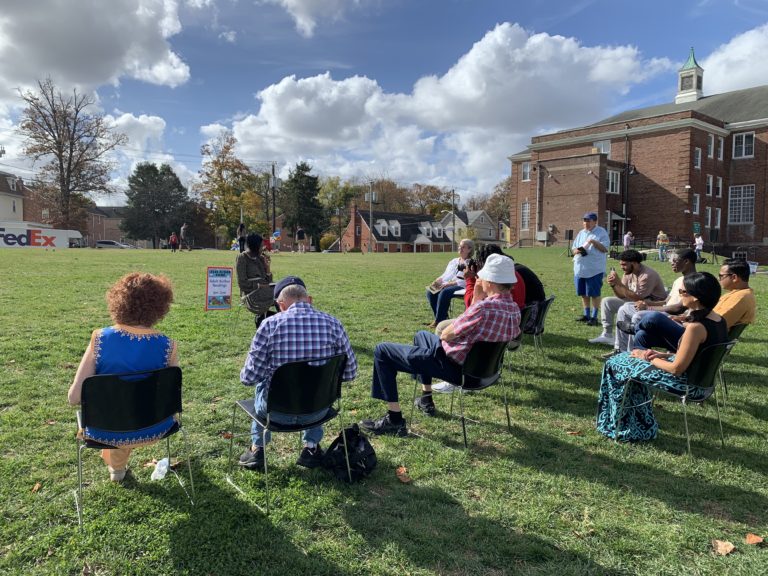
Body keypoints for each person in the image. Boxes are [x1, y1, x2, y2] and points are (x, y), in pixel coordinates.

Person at [360, 254, 520, 436]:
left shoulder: (483, 308)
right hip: (485, 373)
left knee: (382, 351)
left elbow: (446, 334)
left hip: (455, 368)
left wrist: (476, 299)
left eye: (481, 276)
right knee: (421, 336)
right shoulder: (514, 309)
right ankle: (426, 399)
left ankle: (394, 420)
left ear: (490, 282)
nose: (478, 279)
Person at [238, 276, 358, 470]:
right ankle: (311, 447)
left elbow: (249, 378)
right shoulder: (334, 324)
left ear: (280, 304)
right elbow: (350, 372)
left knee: (262, 383)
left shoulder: (269, 326)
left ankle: (257, 449)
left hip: (275, 413)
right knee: (316, 382)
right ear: (308, 299)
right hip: (318, 411)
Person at [68, 273, 178, 482]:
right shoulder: (168, 345)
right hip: (156, 427)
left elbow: (74, 397)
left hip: (107, 429)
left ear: (118, 301)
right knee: (129, 405)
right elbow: (171, 394)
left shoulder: (100, 339)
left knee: (116, 408)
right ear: (161, 306)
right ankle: (117, 468)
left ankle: (117, 469)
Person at [595, 272, 727, 442]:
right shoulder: (719, 320)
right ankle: (635, 420)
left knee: (614, 364)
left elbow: (676, 369)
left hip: (687, 384)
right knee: (626, 360)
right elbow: (698, 355)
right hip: (703, 384)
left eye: (682, 292)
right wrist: (663, 354)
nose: (680, 296)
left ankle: (622, 425)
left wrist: (647, 356)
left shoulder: (696, 328)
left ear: (695, 298)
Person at [633, 258, 756, 351]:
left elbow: (714, 324)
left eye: (721, 276)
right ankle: (635, 372)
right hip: (699, 334)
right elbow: (709, 316)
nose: (719, 279)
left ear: (734, 277)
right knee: (642, 335)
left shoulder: (741, 297)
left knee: (654, 317)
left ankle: (633, 328)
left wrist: (684, 323)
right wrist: (685, 318)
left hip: (701, 341)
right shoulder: (737, 294)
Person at [610, 249, 697, 355]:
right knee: (625, 308)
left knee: (638, 316)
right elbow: (665, 302)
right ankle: (620, 350)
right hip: (664, 311)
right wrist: (646, 304)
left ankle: (632, 353)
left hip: (676, 316)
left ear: (686, 261)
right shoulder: (678, 280)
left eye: (674, 260)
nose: (671, 262)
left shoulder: (694, 282)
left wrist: (648, 308)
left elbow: (678, 308)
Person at [588, 249, 666, 349]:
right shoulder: (628, 273)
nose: (622, 267)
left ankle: (626, 345)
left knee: (626, 306)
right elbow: (621, 295)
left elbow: (639, 298)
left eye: (624, 264)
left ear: (634, 263)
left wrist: (619, 283)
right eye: (621, 264)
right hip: (636, 302)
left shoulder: (647, 275)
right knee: (607, 301)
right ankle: (607, 334)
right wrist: (614, 285)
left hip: (653, 305)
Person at [572, 212, 610, 326]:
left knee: (594, 293)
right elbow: (573, 248)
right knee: (583, 293)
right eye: (584, 221)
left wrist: (593, 242)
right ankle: (586, 315)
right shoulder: (581, 233)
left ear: (595, 221)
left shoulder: (601, 232)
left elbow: (605, 249)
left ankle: (594, 317)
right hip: (580, 268)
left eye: (588, 221)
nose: (586, 223)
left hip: (594, 269)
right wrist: (577, 251)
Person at [425, 239, 473, 327]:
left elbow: (464, 280)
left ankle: (439, 321)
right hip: (446, 283)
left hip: (461, 286)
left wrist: (448, 284)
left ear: (469, 249)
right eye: (459, 246)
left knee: (444, 292)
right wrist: (438, 280)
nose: (460, 248)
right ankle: (440, 318)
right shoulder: (453, 261)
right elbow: (445, 274)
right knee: (430, 291)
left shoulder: (470, 263)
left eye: (463, 247)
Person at [236, 233, 274, 326]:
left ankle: (269, 320)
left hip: (265, 289)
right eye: (261, 246)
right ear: (255, 246)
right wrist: (259, 285)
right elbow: (242, 283)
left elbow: (268, 281)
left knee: (284, 292)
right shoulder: (242, 258)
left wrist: (267, 267)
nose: (263, 247)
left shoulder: (260, 258)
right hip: (252, 293)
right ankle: (264, 320)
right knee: (278, 299)